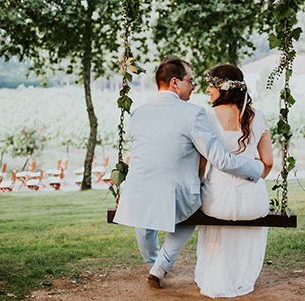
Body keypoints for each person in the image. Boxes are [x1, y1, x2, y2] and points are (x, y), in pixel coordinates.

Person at [113, 58, 265, 289]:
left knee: (145, 221)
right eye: (190, 81)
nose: (194, 87)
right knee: (194, 207)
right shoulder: (193, 114)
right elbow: (220, 159)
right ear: (175, 83)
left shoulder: (138, 113)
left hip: (138, 192)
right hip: (179, 194)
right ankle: (160, 265)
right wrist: (257, 168)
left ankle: (154, 264)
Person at [194, 64, 274, 298]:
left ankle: (218, 277)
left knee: (218, 219)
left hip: (216, 200)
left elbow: (201, 167)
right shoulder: (257, 116)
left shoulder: (206, 116)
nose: (207, 89)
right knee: (244, 226)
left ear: (225, 88)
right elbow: (267, 163)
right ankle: (240, 279)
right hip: (253, 201)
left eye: (212, 84)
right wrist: (250, 179)